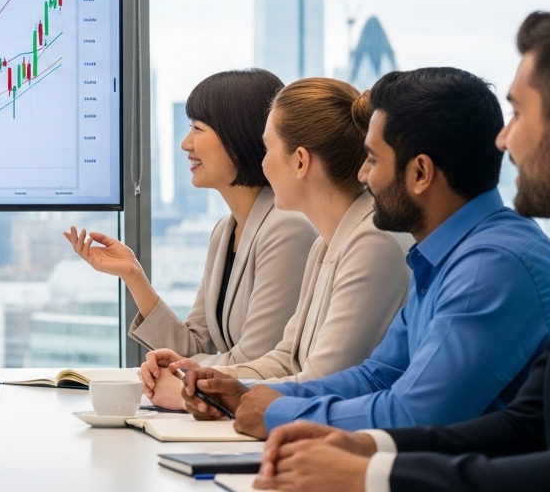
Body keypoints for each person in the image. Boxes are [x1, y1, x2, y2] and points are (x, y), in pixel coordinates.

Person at [255, 5, 550, 492]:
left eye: (519, 113)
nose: (504, 140)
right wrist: (372, 447)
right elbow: (529, 424)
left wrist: (373, 473)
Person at [178, 68, 550, 439]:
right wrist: (244, 393)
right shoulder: (442, 256)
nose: (363, 175)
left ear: (420, 173)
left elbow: (414, 413)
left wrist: (276, 410)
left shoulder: (491, 266)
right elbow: (377, 375)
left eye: (374, 160)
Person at [142, 78, 413, 408]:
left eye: (268, 149)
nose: (263, 162)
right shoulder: (328, 242)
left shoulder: (373, 244)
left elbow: (321, 381)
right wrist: (199, 374)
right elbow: (285, 359)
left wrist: (202, 395)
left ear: (300, 161)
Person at [65, 69, 317, 364]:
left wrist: (178, 371)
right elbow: (194, 346)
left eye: (198, 129)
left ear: (237, 135)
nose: (186, 143)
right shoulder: (225, 231)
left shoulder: (288, 230)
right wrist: (132, 274)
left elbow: (254, 363)